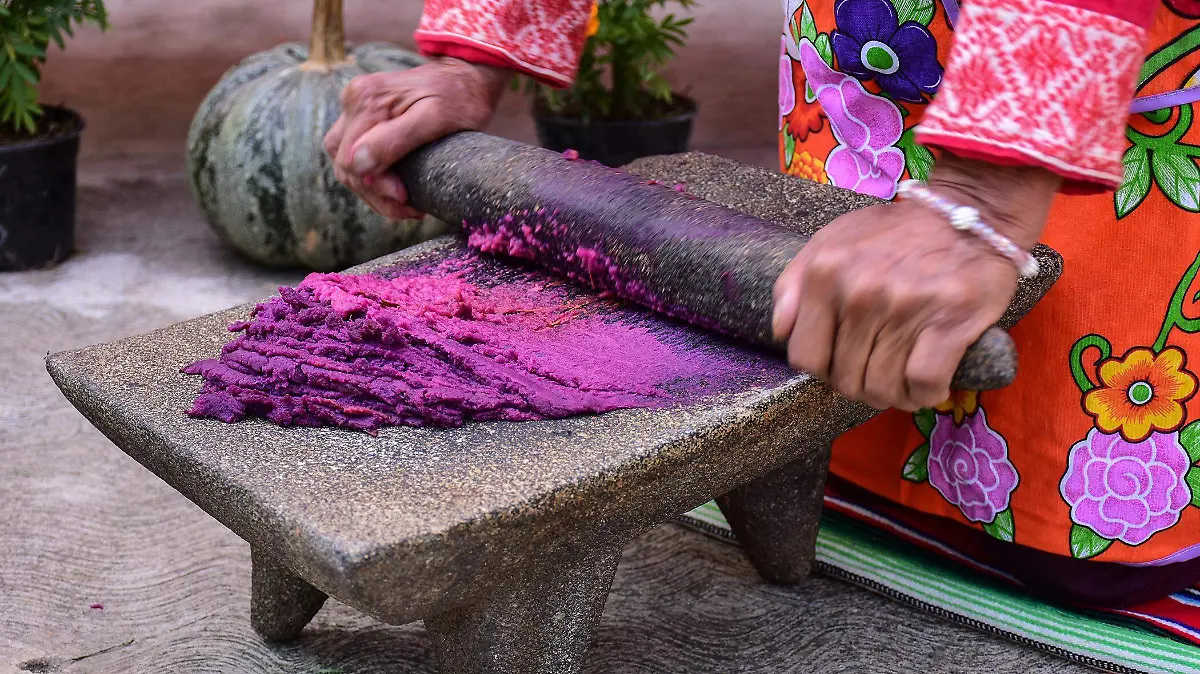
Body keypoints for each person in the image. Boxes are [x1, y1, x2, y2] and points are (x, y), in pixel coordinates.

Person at [325, 0, 1200, 611]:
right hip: (871, 54)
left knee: (1072, 538)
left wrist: (988, 193)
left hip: (1089, 93)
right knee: (823, 431)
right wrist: (476, 51)